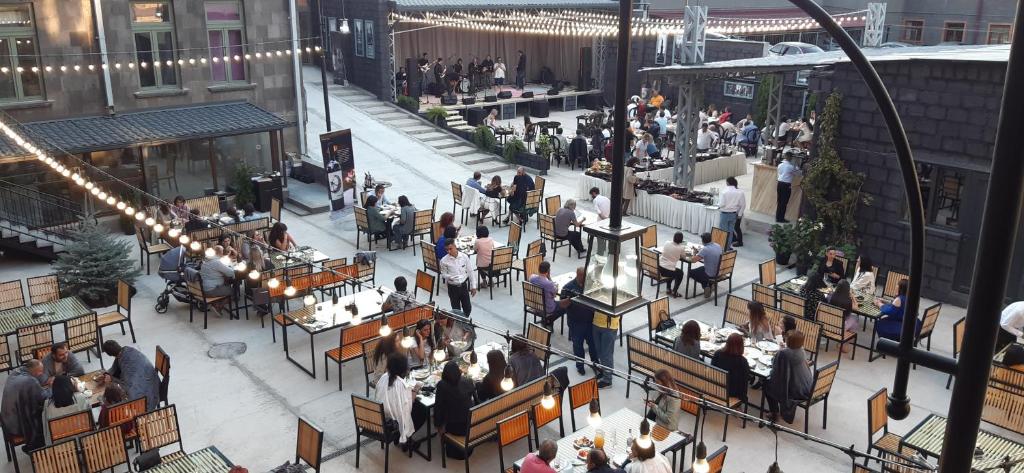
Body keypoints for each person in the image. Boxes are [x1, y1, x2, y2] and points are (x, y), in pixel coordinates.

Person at [374, 353, 427, 449]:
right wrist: (416, 389)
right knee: (423, 410)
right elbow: (408, 407)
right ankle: (404, 437)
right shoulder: (400, 384)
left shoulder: (384, 377)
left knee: (417, 407)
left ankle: (400, 436)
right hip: (393, 422)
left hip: (382, 417)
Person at [765, 331, 813, 423]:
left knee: (767, 385)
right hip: (807, 387)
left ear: (788, 340)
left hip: (796, 391)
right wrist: (784, 349)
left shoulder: (784, 353)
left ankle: (774, 413)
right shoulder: (801, 350)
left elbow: (775, 367)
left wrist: (781, 351)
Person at [102, 340, 161, 410]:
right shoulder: (127, 350)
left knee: (115, 396)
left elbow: (127, 385)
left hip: (148, 394)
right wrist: (107, 374)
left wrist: (112, 379)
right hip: (153, 380)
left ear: (110, 355)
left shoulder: (126, 363)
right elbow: (116, 366)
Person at [434, 361, 476, 458]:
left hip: (454, 427)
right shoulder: (468, 381)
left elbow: (438, 407)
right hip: (470, 424)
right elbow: (475, 401)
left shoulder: (442, 385)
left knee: (443, 408)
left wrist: (438, 426)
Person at [1, 360, 45, 450]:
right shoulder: (30, 381)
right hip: (16, 427)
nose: (41, 374)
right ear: (33, 371)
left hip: (6, 422)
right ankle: (34, 448)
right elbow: (42, 397)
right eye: (40, 371)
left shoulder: (15, 372)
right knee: (42, 416)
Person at [561, 267, 598, 375]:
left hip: (590, 322)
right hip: (576, 323)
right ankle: (580, 365)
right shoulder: (568, 288)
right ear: (578, 275)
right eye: (584, 276)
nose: (586, 279)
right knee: (578, 345)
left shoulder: (590, 285)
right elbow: (562, 305)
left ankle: (595, 363)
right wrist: (570, 300)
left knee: (593, 344)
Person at [41, 375, 90, 444]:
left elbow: (46, 430)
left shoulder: (48, 406)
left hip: (60, 445)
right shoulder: (81, 399)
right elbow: (90, 421)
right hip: (83, 441)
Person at [440, 239, 478, 316]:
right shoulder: (444, 261)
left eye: (450, 249)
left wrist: (473, 286)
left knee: (468, 308)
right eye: (447, 250)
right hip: (452, 288)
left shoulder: (464, 257)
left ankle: (464, 319)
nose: (449, 251)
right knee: (456, 310)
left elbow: (470, 272)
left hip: (463, 286)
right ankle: (459, 322)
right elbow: (443, 274)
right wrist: (449, 277)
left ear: (455, 246)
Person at [529, 261, 571, 328]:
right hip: (547, 308)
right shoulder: (549, 284)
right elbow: (554, 295)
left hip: (536, 305)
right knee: (566, 305)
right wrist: (551, 281)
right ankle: (548, 321)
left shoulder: (532, 278)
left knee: (560, 302)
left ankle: (547, 320)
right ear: (548, 271)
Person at [712, 333, 751, 400]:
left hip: (715, 388)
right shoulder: (742, 362)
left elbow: (711, 370)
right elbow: (745, 382)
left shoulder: (717, 354)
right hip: (732, 394)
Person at [688, 232, 723, 299]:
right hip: (718, 271)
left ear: (703, 241)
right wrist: (700, 252)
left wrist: (694, 253)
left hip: (710, 273)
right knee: (701, 269)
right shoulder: (718, 245)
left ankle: (706, 286)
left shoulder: (705, 249)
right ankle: (710, 285)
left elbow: (693, 260)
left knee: (691, 272)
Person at [828, 279, 860, 351]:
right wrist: (853, 297)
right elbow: (856, 308)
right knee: (855, 319)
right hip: (840, 326)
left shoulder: (831, 296)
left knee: (852, 319)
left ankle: (844, 339)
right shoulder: (847, 301)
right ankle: (844, 342)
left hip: (829, 323)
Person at [718, 176, 746, 249]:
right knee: (730, 232)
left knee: (723, 232)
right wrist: (739, 214)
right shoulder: (740, 192)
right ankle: (728, 247)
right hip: (733, 214)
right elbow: (743, 205)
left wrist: (718, 205)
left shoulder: (724, 191)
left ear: (727, 183)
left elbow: (722, 204)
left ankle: (723, 247)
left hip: (724, 214)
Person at [658, 232, 687, 298]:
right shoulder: (681, 248)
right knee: (680, 273)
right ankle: (674, 291)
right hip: (667, 271)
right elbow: (684, 257)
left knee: (673, 270)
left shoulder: (667, 242)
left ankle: (668, 289)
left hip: (659, 267)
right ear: (681, 240)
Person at [776, 153, 800, 223]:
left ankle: (778, 217)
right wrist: (795, 164)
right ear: (790, 158)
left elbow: (780, 173)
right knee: (784, 202)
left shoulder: (780, 165)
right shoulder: (790, 167)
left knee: (779, 201)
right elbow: (798, 173)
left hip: (780, 184)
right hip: (786, 185)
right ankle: (781, 218)